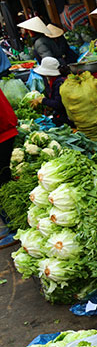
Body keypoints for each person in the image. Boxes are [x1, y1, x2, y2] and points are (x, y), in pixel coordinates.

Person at [0, 88, 19, 248]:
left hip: (3, 135)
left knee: (2, 183)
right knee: (3, 181)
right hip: (6, 132)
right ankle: (10, 225)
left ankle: (14, 228)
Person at [30, 57, 71, 127]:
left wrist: (42, 100)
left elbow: (59, 104)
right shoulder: (59, 79)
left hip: (67, 118)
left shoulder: (59, 83)